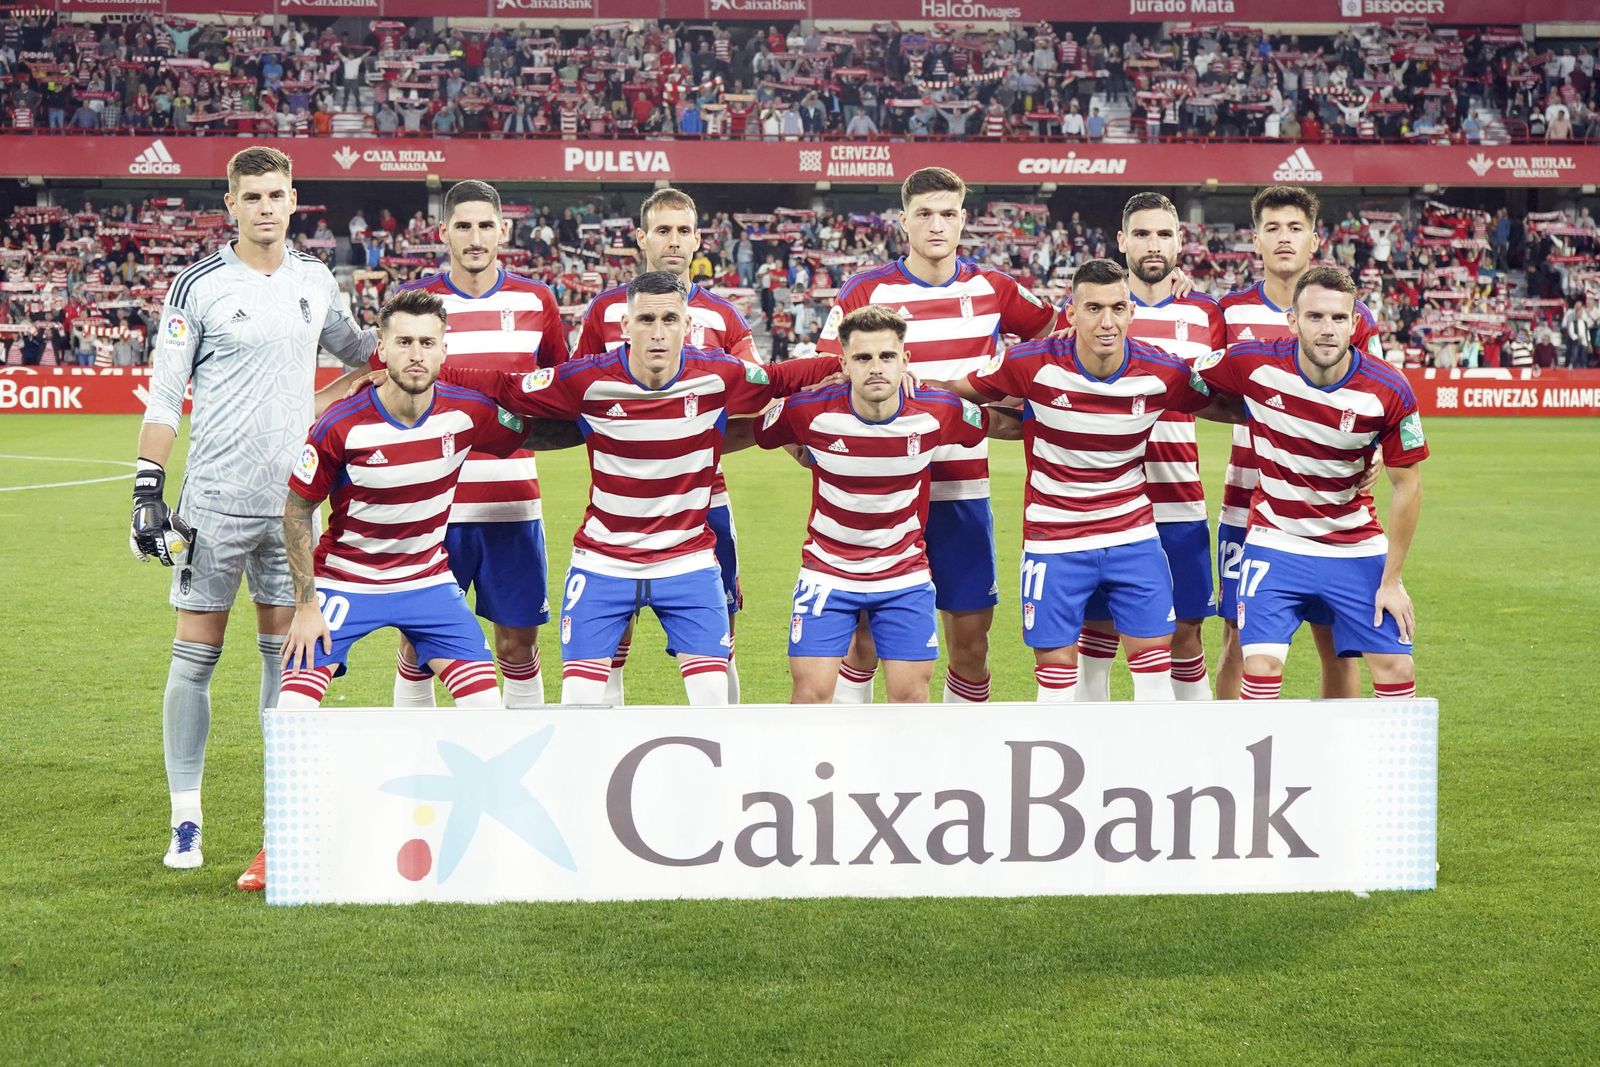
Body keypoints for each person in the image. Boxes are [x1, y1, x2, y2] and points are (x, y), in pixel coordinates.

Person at [130, 146, 375, 884]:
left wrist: (327, 400)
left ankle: (279, 816)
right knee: (194, 657)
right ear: (230, 204)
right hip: (214, 501)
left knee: (285, 658)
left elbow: (364, 352)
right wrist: (148, 486)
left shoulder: (314, 279)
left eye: (277, 194)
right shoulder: (198, 285)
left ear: (294, 198)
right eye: (252, 196)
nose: (266, 206)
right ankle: (186, 816)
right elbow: (166, 396)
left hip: (295, 504)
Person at [442, 272, 840, 706]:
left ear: (686, 326)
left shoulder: (718, 374)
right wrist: (422, 372)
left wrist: (851, 365)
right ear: (625, 326)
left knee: (714, 699)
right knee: (577, 702)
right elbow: (506, 388)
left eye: (670, 319)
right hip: (604, 562)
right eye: (646, 319)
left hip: (686, 561)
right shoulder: (586, 379)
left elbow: (781, 377)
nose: (657, 331)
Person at [930, 259, 1241, 701]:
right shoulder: (1029, 362)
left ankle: (1158, 770)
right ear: (1071, 314)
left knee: (1155, 673)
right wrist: (895, 385)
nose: (1107, 321)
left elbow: (1228, 406)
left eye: (1118, 307)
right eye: (1093, 308)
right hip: (1054, 541)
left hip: (1132, 535)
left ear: (1132, 313)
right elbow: (958, 392)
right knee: (1057, 681)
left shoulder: (1164, 371)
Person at [816, 166, 1057, 705]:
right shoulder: (868, 290)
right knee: (864, 641)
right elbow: (826, 371)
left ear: (963, 219)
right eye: (924, 214)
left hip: (963, 492)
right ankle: (857, 764)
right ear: (904, 221)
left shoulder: (993, 289)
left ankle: (953, 765)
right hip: (881, 493)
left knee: (970, 643)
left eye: (948, 214)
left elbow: (1060, 336)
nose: (936, 225)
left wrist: (1016, 391)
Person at [728, 305, 991, 703]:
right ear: (845, 363)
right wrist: (802, 448)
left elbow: (996, 422)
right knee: (810, 697)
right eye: (863, 358)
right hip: (827, 572)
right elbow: (763, 427)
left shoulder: (940, 410)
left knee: (910, 699)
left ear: (906, 360)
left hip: (904, 575)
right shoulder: (809, 409)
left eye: (887, 356)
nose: (876, 367)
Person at [279, 288, 525, 714]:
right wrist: (305, 605)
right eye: (404, 342)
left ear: (444, 350)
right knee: (293, 713)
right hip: (345, 580)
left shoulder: (469, 412)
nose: (416, 354)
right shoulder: (339, 425)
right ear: (382, 349)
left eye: (427, 343)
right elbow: (297, 509)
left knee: (487, 708)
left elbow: (530, 429)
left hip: (427, 580)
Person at [1194, 267, 1426, 700]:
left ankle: (1377, 767)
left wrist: (1391, 581)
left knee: (1397, 666)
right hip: (1276, 540)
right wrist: (1245, 412)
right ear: (1292, 320)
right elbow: (1187, 383)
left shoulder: (1389, 389)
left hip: (1354, 541)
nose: (1327, 329)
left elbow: (1407, 485)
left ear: (1354, 325)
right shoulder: (1253, 362)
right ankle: (1253, 767)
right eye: (1315, 317)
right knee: (1258, 663)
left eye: (1339, 319)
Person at [384, 181, 569, 711]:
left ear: (503, 231)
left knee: (517, 645)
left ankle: (523, 773)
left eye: (485, 225)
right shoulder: (415, 304)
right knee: (419, 645)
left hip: (513, 506)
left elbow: (557, 393)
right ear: (443, 233)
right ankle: (416, 771)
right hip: (432, 508)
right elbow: (391, 394)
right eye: (462, 226)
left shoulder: (537, 301)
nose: (475, 237)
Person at [573, 189, 758, 704]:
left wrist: (695, 441)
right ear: (641, 238)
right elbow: (579, 394)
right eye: (662, 230)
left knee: (721, 642)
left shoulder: (725, 318)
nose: (673, 241)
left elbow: (754, 399)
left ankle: (727, 750)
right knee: (609, 640)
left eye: (682, 231)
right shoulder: (606, 311)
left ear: (698, 240)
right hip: (619, 504)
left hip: (704, 505)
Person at [1215, 185, 1383, 700]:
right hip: (1248, 495)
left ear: (1314, 239)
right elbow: (1206, 387)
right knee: (1237, 635)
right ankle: (1228, 759)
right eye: (1272, 228)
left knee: (1335, 640)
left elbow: (1379, 396)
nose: (1284, 238)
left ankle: (1335, 759)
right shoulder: (1228, 312)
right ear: (1256, 241)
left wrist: (1373, 450)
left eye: (1295, 228)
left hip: (1333, 504)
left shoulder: (1349, 315)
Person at [1077, 192, 1225, 701]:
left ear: (1180, 240)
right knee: (1095, 637)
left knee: (1186, 633)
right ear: (1122, 241)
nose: (1153, 244)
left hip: (1178, 502)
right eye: (1141, 233)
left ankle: (1191, 763)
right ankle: (1088, 761)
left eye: (1164, 233)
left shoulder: (1207, 315)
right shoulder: (1092, 313)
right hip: (1099, 505)